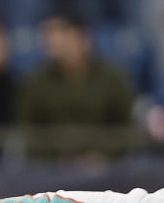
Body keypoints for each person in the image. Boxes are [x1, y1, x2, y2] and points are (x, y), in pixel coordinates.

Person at [17, 12, 135, 161]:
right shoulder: (35, 82)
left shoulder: (112, 78)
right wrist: (55, 159)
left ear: (82, 36)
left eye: (61, 31)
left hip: (106, 172)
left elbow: (124, 129)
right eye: (47, 32)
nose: (52, 39)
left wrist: (103, 156)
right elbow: (28, 133)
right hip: (49, 173)